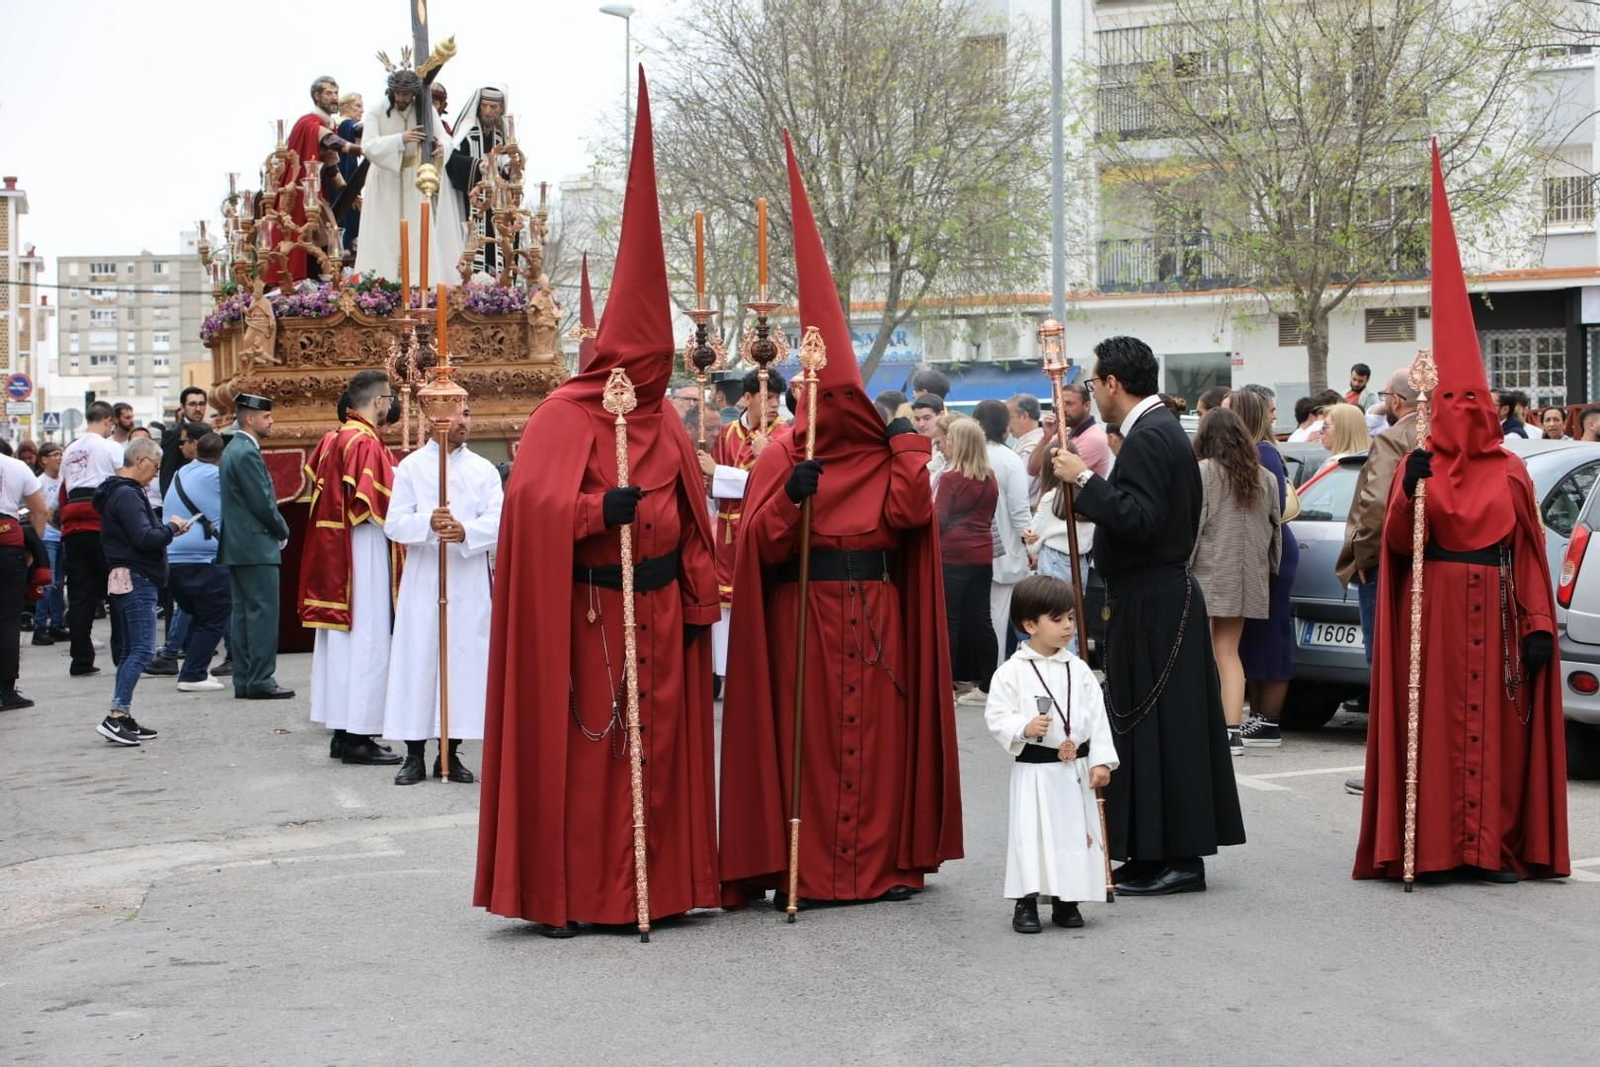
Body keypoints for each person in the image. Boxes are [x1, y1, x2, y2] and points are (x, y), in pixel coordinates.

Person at [475, 77, 722, 937]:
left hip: (658, 612)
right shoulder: (561, 416)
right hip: (588, 612)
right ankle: (576, 893)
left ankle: (667, 884)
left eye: (660, 368)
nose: (649, 383)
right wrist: (596, 509)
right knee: (591, 751)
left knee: (660, 752)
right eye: (640, 363)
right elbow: (530, 515)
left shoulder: (667, 424)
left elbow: (696, 520)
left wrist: (698, 592)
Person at [718, 132, 962, 911]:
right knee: (813, 743)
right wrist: (793, 494)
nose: (823, 410)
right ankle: (810, 868)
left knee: (879, 742)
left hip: (878, 609)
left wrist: (906, 445)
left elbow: (909, 517)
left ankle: (882, 864)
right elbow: (758, 544)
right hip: (806, 612)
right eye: (811, 398)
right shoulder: (779, 453)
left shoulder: (888, 449)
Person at [1354, 150, 1569, 883]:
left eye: (1476, 404)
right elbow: (1395, 550)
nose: (1467, 415)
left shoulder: (1511, 470)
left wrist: (1539, 625)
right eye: (1454, 403)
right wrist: (1410, 487)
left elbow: (1533, 557)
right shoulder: (1421, 463)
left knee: (1499, 739)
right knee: (1437, 735)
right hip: (1435, 617)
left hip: (1500, 616)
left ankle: (1493, 847)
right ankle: (1435, 848)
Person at [1051, 335, 1245, 895]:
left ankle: (1180, 859)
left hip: (1158, 600)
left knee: (1168, 730)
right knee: (1142, 729)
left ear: (1112, 383)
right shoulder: (1154, 431)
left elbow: (1140, 520)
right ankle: (1148, 849)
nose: (1094, 392)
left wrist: (1084, 481)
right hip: (1147, 599)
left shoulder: (1151, 435)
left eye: (1093, 383)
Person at [984, 575, 1117, 933]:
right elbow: (996, 714)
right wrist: (1023, 728)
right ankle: (1026, 903)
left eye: (1071, 618)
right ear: (1030, 625)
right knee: (1033, 835)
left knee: (1073, 835)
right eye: (1057, 620)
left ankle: (1066, 900)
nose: (1068, 627)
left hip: (1074, 770)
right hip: (1036, 772)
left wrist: (1102, 760)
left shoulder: (1079, 670)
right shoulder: (1012, 672)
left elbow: (1097, 716)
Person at [382, 403, 503, 785]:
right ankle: (414, 754)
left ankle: (450, 753)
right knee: (419, 660)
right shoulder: (412, 468)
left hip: (466, 580)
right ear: (435, 418)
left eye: (469, 412)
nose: (464, 420)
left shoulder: (483, 469)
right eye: (457, 413)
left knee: (464, 663)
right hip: (424, 579)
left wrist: (467, 531)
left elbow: (500, 520)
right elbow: (394, 523)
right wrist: (427, 523)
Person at [299, 371, 400, 766]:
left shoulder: (333, 438)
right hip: (363, 549)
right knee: (367, 640)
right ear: (378, 402)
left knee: (341, 645)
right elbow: (381, 505)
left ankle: (342, 732)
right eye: (389, 398)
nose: (392, 404)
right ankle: (359, 736)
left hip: (335, 551)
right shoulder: (364, 442)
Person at [1335, 369, 1419, 764]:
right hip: (1427, 567)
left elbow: (1376, 506)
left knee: (1386, 669)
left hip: (1386, 567)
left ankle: (1389, 767)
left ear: (1398, 401)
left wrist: (1365, 558)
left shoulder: (1393, 437)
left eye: (1385, 395)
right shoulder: (1444, 433)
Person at [1191, 408, 1280, 750]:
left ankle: (1212, 725)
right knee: (1229, 651)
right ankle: (1232, 731)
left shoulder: (1204, 472)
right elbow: (1276, 532)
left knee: (1202, 652)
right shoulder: (1265, 477)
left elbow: (1195, 526)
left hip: (1208, 571)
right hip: (1247, 573)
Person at [92, 439, 190, 745]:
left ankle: (123, 714)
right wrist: (172, 528)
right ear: (143, 460)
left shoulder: (118, 493)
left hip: (126, 576)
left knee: (130, 649)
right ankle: (116, 716)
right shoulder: (127, 495)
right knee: (142, 649)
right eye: (156, 467)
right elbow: (145, 538)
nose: (154, 475)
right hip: (137, 577)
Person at [700, 367, 785, 681]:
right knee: (725, 602)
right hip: (726, 531)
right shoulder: (727, 434)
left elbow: (774, 485)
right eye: (767, 397)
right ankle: (725, 670)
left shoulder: (783, 436)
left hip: (759, 526)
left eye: (777, 398)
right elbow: (713, 484)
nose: (774, 405)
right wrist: (711, 479)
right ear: (747, 398)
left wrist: (720, 474)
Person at [1229, 387, 1298, 750]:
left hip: (1270, 553)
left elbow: (1268, 508)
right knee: (1255, 637)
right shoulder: (1258, 452)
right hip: (1260, 551)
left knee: (1271, 637)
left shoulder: (1264, 455)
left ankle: (1268, 720)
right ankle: (1258, 715)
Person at [217, 394, 294, 701]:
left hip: (239, 544)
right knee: (262, 613)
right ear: (250, 419)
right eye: (266, 417)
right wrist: (282, 529)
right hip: (256, 542)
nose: (271, 421)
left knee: (243, 614)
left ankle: (245, 678)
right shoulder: (246, 452)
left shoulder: (233, 450)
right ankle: (261, 678)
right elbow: (262, 501)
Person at [353, 63, 444, 287]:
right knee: (382, 233)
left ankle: (420, 284)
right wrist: (399, 139)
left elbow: (444, 138)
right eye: (399, 93)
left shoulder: (425, 109)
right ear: (392, 91)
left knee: (417, 231)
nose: (402, 98)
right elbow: (368, 146)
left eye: (407, 94)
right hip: (384, 178)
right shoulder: (376, 109)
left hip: (415, 177)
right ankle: (377, 283)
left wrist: (441, 147)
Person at [268, 76, 362, 286]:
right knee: (307, 240)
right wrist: (367, 150)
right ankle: (301, 285)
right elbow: (334, 143)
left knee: (328, 238)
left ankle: (321, 284)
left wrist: (349, 192)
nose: (334, 97)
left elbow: (331, 166)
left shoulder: (326, 124)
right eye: (328, 93)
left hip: (315, 196)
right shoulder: (309, 123)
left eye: (336, 93)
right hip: (299, 195)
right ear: (316, 96)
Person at [161, 431, 230, 692]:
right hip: (203, 558)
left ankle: (193, 668)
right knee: (214, 615)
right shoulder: (216, 476)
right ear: (221, 456)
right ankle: (193, 674)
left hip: (172, 557)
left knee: (199, 614)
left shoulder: (181, 473)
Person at [59, 401, 124, 676]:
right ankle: (123, 654)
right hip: (99, 520)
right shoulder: (109, 446)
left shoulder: (70, 450)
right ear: (108, 420)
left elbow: (63, 490)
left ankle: (81, 660)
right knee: (118, 589)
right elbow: (124, 482)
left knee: (80, 596)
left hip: (73, 524)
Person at [937, 417, 999, 698]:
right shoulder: (989, 478)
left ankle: (947, 682)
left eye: (949, 439)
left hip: (952, 556)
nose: (946, 443)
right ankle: (987, 684)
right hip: (982, 556)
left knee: (950, 621)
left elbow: (939, 520)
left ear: (958, 444)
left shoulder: (951, 479)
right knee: (982, 620)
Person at [147, 421, 214, 677]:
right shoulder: (203, 472)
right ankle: (173, 652)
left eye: (184, 441)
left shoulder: (187, 473)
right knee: (202, 604)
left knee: (195, 604)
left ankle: (173, 654)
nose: (181, 445)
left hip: (195, 548)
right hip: (200, 548)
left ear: (197, 444)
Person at [974, 399, 1032, 676]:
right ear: (1004, 426)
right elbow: (1020, 513)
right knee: (996, 618)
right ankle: (992, 677)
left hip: (965, 551)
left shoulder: (966, 456)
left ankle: (972, 676)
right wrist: (1031, 545)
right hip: (1003, 552)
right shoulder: (1009, 459)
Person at [443, 86, 516, 279]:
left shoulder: (502, 136)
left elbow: (508, 165)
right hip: (473, 202)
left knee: (500, 245)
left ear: (501, 109)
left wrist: (509, 169)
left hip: (497, 203)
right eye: (485, 106)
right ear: (478, 107)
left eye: (493, 107)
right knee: (473, 248)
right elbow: (452, 159)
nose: (489, 111)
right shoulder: (467, 132)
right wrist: (477, 166)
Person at [0, 446, 46, 708]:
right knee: (7, 620)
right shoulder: (17, 467)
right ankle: (5, 690)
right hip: (8, 544)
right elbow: (40, 511)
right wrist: (31, 551)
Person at [30, 443, 67, 647]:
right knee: (47, 583)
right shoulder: (39, 482)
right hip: (47, 538)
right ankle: (40, 626)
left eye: (61, 454)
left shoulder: (64, 480)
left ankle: (57, 624)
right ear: (44, 459)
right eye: (55, 455)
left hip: (63, 536)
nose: (60, 458)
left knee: (60, 584)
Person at [161, 387, 210, 496]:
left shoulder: (210, 431)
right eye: (192, 404)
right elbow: (167, 474)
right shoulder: (173, 434)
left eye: (202, 404)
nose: (198, 409)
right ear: (182, 407)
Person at [336, 93, 365, 253]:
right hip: (346, 175)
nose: (362, 110)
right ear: (346, 107)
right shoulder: (347, 124)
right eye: (358, 106)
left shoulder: (335, 124)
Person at [1007, 394, 1045, 502]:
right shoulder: (1028, 441)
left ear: (1024, 416)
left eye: (1009, 418)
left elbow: (1021, 488)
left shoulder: (1032, 447)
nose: (1007, 425)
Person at [1314, 403, 1373, 472]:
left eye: (1325, 426)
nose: (1320, 431)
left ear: (1342, 430)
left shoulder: (1336, 464)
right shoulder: (1376, 460)